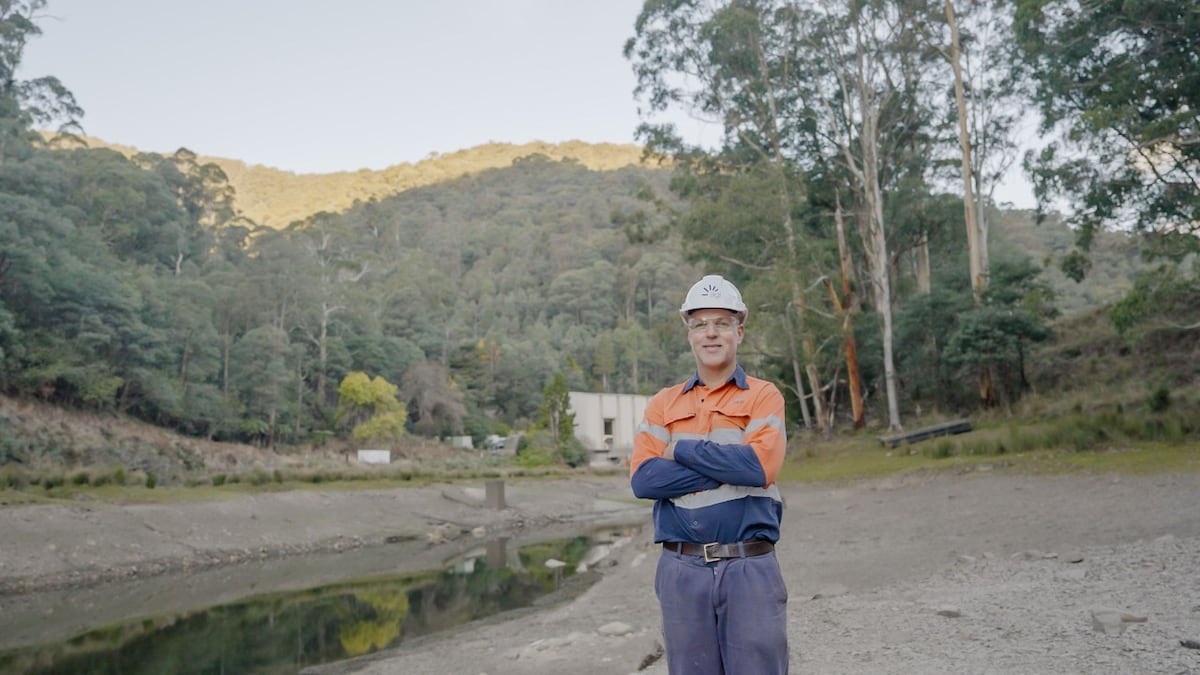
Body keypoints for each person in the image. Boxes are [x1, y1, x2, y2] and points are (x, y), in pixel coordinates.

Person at [630, 274, 789, 674]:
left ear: (740, 331)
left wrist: (681, 450)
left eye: (721, 323)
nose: (711, 333)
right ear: (690, 334)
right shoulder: (663, 404)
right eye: (701, 324)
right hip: (682, 571)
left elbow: (759, 467)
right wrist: (726, 466)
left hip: (748, 567)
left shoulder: (763, 395)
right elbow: (645, 481)